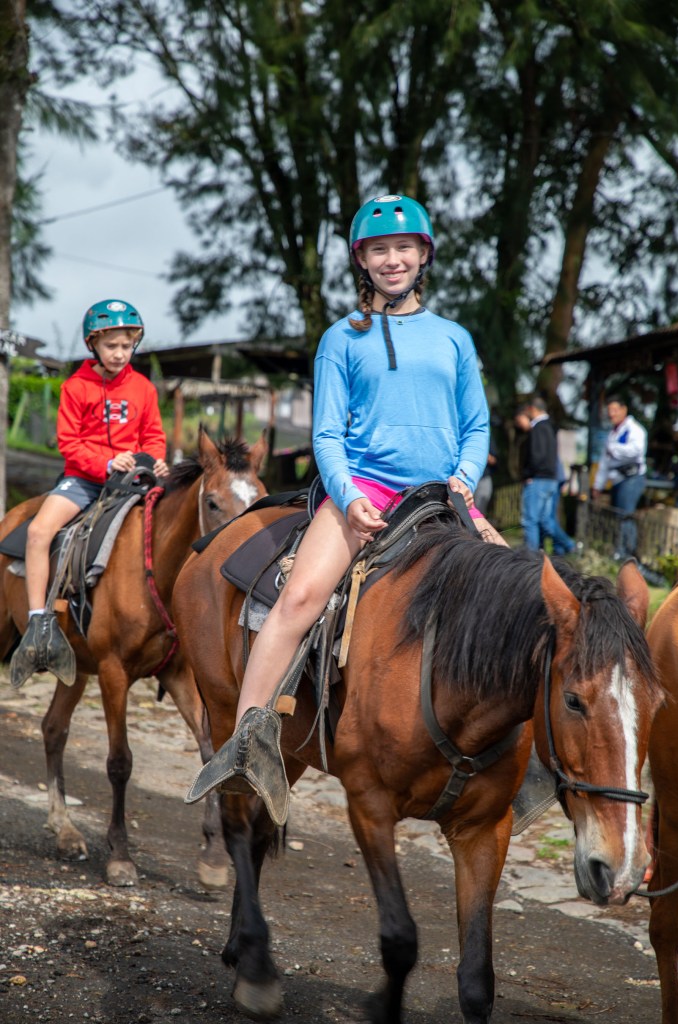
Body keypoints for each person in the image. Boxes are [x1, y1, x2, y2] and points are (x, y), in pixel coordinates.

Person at [188, 193, 503, 826]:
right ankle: (245, 745)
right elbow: (328, 435)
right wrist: (351, 498)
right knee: (298, 600)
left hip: (444, 496)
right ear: (362, 260)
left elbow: (475, 426)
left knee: (522, 602)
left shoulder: (454, 339)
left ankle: (531, 765)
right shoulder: (341, 339)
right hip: (366, 490)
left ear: (424, 255)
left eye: (404, 247)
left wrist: (464, 481)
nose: (393, 259)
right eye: (379, 250)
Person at [10, 298, 169, 690]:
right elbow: (69, 442)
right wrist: (107, 461)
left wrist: (157, 462)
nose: (119, 353)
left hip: (132, 484)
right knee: (37, 532)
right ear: (93, 344)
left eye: (127, 345)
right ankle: (38, 622)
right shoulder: (75, 387)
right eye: (111, 345)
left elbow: (153, 435)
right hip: (83, 481)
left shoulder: (144, 388)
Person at [591, 394, 647, 561]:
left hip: (631, 478)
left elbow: (636, 450)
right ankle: (620, 551)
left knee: (625, 516)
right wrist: (598, 485)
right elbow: (604, 463)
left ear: (624, 410)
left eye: (615, 410)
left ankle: (628, 554)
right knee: (618, 516)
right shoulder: (611, 434)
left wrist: (615, 449)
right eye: (609, 410)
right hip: (616, 479)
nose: (612, 414)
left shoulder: (634, 429)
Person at [520, 396, 578, 556]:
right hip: (551, 479)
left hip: (538, 479)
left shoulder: (538, 427)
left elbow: (537, 456)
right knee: (546, 520)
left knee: (530, 520)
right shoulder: (551, 426)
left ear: (532, 409)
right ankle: (568, 546)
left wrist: (529, 474)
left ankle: (531, 557)